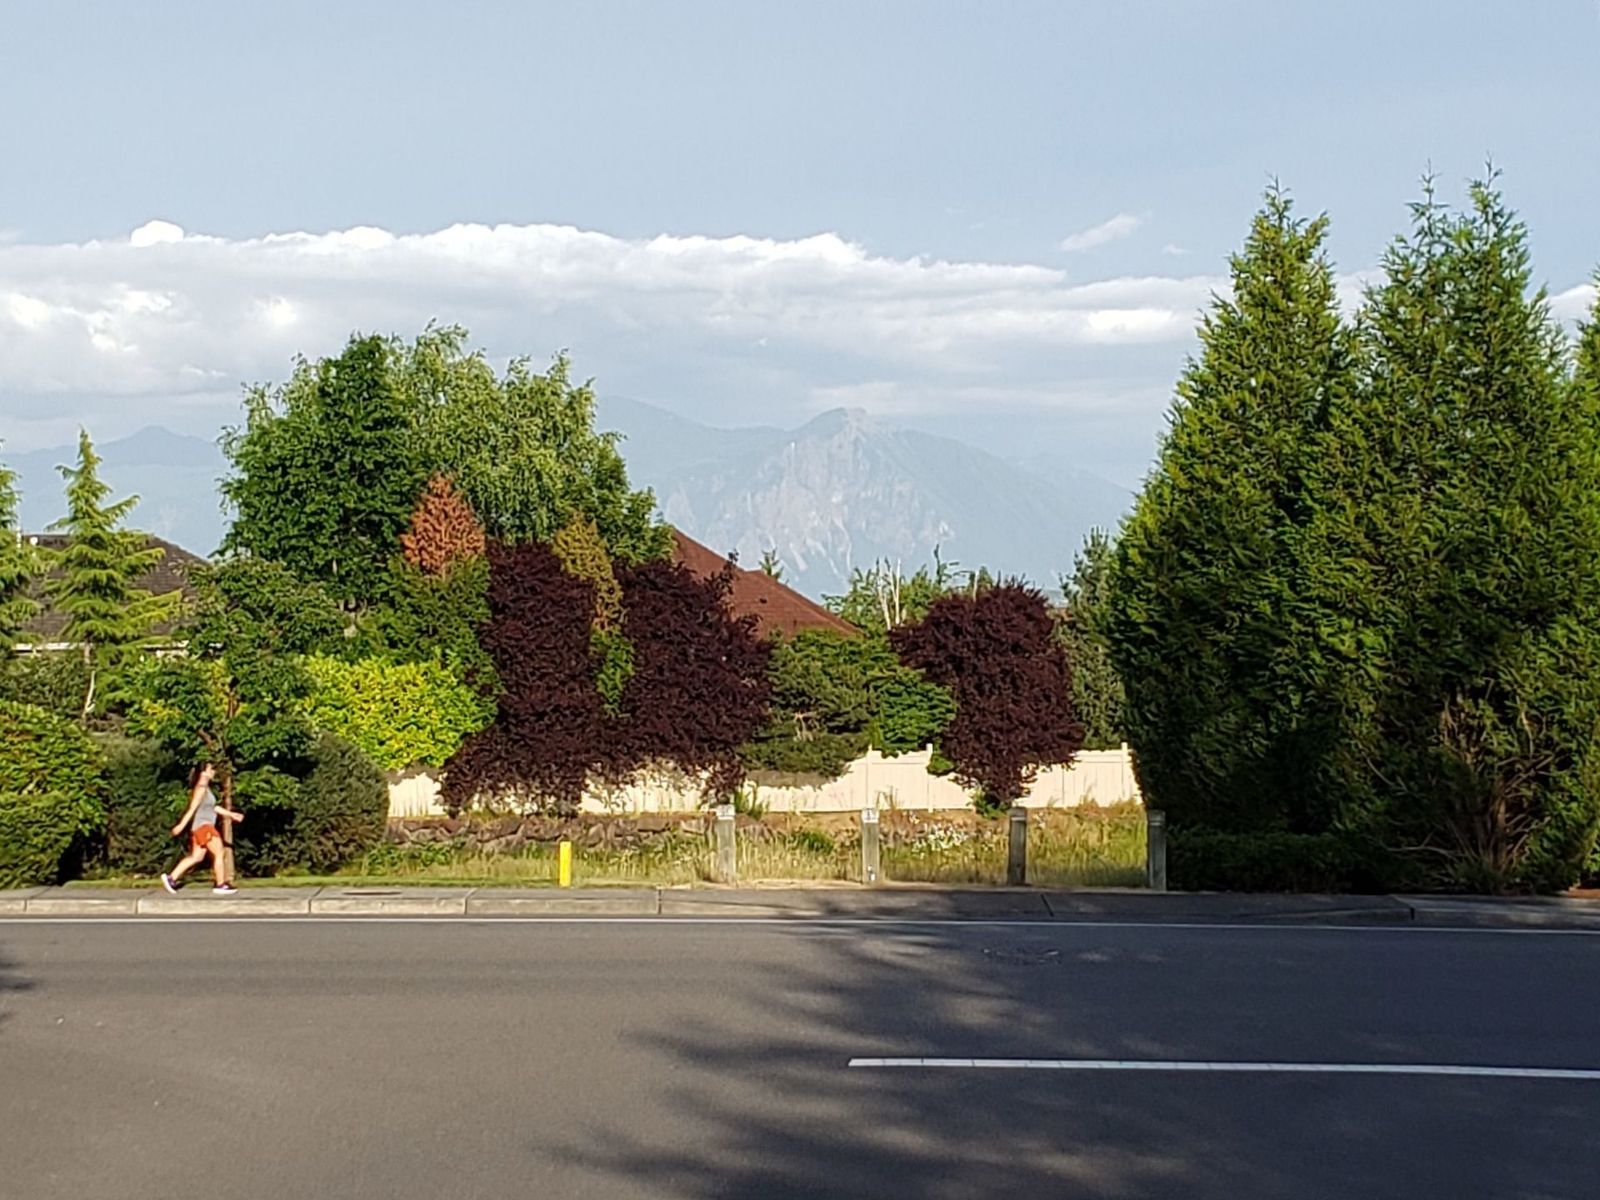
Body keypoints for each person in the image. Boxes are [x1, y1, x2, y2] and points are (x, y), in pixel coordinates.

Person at [160, 762, 244, 896]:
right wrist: (181, 825)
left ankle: (171, 878)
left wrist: (231, 814)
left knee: (196, 857)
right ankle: (221, 884)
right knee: (219, 852)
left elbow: (213, 807)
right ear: (203, 771)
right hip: (204, 827)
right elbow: (192, 808)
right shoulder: (201, 787)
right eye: (211, 769)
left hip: (200, 827)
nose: (214, 772)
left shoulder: (207, 789)